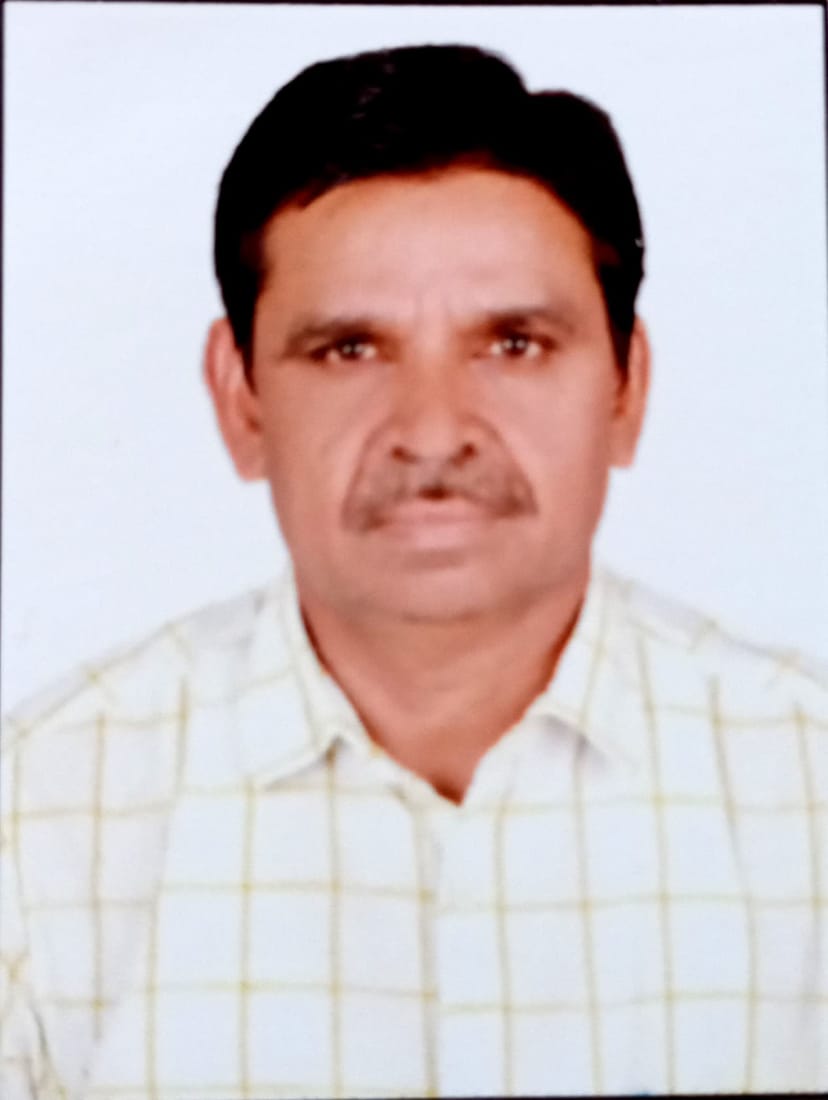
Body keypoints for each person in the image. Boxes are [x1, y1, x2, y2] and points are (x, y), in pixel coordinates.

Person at [1, 42, 825, 1100]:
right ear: (241, 399)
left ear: (627, 388)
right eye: (350, 349)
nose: (433, 431)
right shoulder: (34, 820)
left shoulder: (811, 788)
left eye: (514, 343)